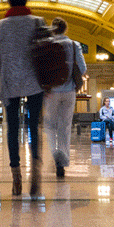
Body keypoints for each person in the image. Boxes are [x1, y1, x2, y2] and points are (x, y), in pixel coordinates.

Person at [0, 0, 47, 197]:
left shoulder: (0, 26)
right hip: (35, 82)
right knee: (34, 127)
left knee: (13, 129)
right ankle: (36, 172)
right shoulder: (38, 22)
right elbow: (46, 54)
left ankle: (16, 178)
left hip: (10, 83)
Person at [39, 17, 85, 178]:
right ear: (65, 29)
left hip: (51, 92)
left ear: (53, 29)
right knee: (65, 126)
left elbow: (42, 68)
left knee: (50, 125)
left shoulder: (48, 45)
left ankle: (55, 154)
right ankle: (63, 159)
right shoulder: (74, 45)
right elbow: (83, 68)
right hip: (69, 91)